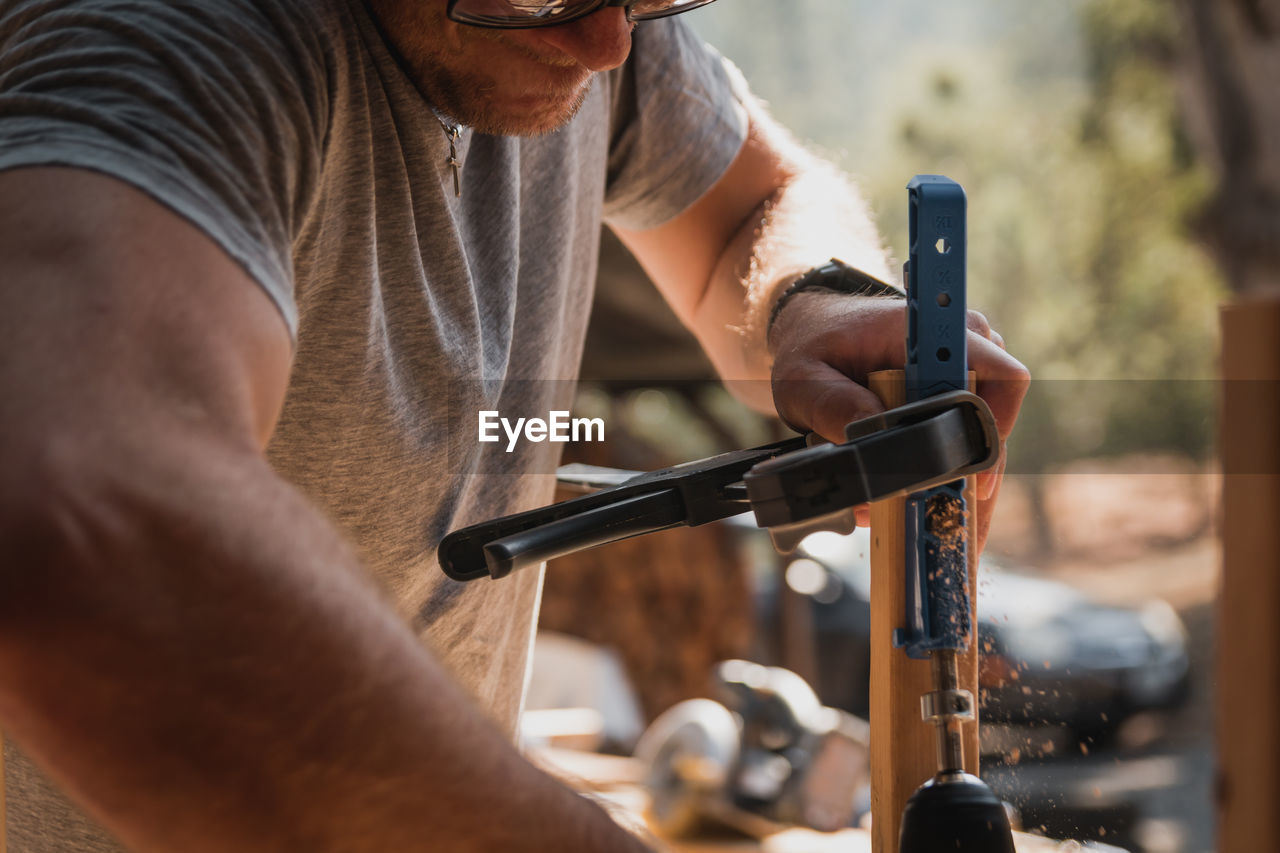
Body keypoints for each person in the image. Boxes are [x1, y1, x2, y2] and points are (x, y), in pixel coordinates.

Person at [0, 0, 1030, 850]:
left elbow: (751, 206)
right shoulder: (170, 38)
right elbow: (78, 528)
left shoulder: (593, 22)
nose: (608, 47)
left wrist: (817, 297)